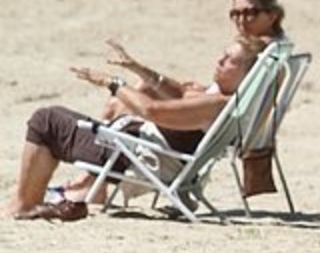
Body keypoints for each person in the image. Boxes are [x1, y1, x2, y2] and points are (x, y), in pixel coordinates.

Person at [6, 37, 262, 221]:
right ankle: (75, 192)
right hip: (136, 148)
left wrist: (113, 83)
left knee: (46, 120)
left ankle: (24, 205)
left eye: (230, 61)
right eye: (224, 54)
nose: (220, 60)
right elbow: (181, 92)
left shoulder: (215, 105)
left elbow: (151, 110)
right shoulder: (227, 101)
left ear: (246, 74)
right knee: (60, 118)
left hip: (130, 155)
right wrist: (137, 68)